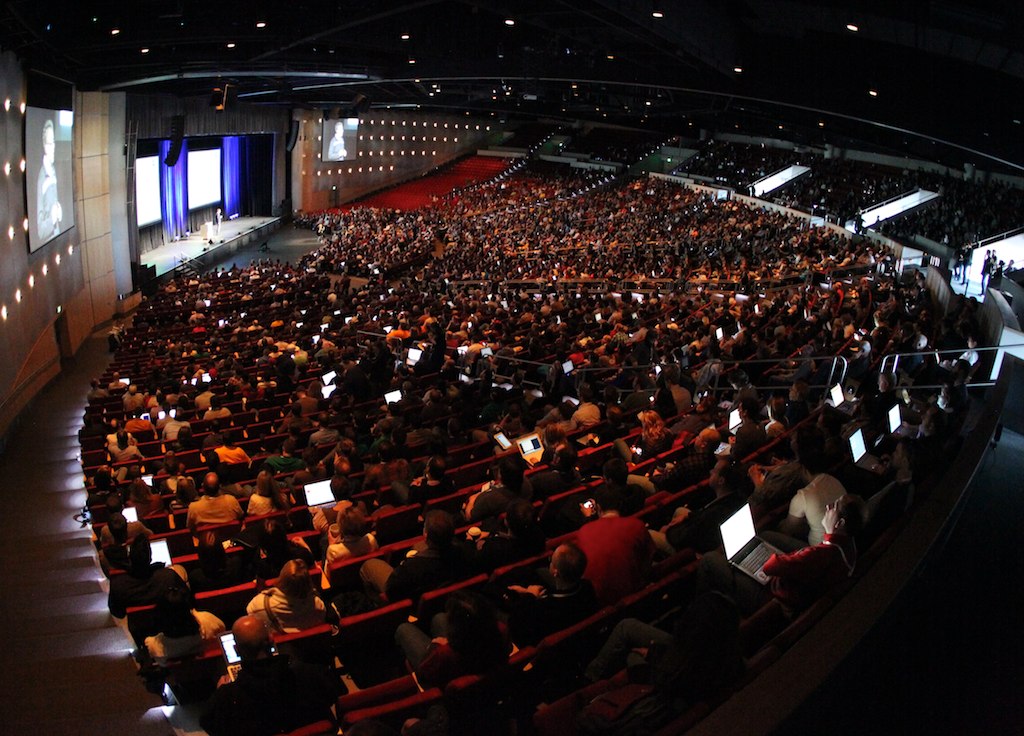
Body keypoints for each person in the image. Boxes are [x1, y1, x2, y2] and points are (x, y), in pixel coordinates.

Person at [698, 495, 865, 615]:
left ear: (840, 523)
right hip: (798, 585)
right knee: (766, 537)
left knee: (708, 559)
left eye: (834, 507)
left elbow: (770, 566)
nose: (828, 507)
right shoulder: (848, 544)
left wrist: (775, 557)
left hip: (776, 600)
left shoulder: (820, 555)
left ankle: (706, 608)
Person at [199, 615, 336, 736]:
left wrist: (221, 692)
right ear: (272, 641)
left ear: (236, 650)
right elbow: (332, 695)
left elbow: (210, 725)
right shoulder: (308, 674)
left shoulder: (228, 696)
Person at [393, 590, 510, 689]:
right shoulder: (501, 630)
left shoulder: (444, 654)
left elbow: (423, 675)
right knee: (439, 618)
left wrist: (434, 646)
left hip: (444, 674)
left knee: (404, 629)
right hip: (480, 662)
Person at [501, 542, 598, 646]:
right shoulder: (588, 587)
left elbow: (514, 624)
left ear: (555, 572)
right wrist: (527, 592)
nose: (550, 563)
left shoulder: (545, 607)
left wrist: (529, 596)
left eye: (551, 560)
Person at [359, 510, 463, 602]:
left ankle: (375, 602)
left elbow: (391, 589)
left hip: (404, 594)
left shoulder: (411, 567)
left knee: (369, 565)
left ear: (425, 535)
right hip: (436, 590)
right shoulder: (461, 552)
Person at [574, 490, 654, 607]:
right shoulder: (637, 525)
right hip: (637, 595)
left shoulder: (584, 531)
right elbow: (649, 559)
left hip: (598, 601)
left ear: (598, 508)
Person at [144, 583, 225, 665]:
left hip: (178, 677)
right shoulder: (209, 620)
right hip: (215, 670)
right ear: (187, 607)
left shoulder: (153, 646)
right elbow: (223, 633)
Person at [246, 559, 330, 633]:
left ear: (281, 578)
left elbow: (249, 613)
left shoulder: (259, 605)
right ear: (308, 582)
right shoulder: (318, 606)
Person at [36, 118, 63, 240]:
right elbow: (40, 231)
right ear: (44, 145)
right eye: (49, 143)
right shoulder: (42, 178)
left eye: (53, 142)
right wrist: (52, 218)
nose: (52, 147)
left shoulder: (54, 171)